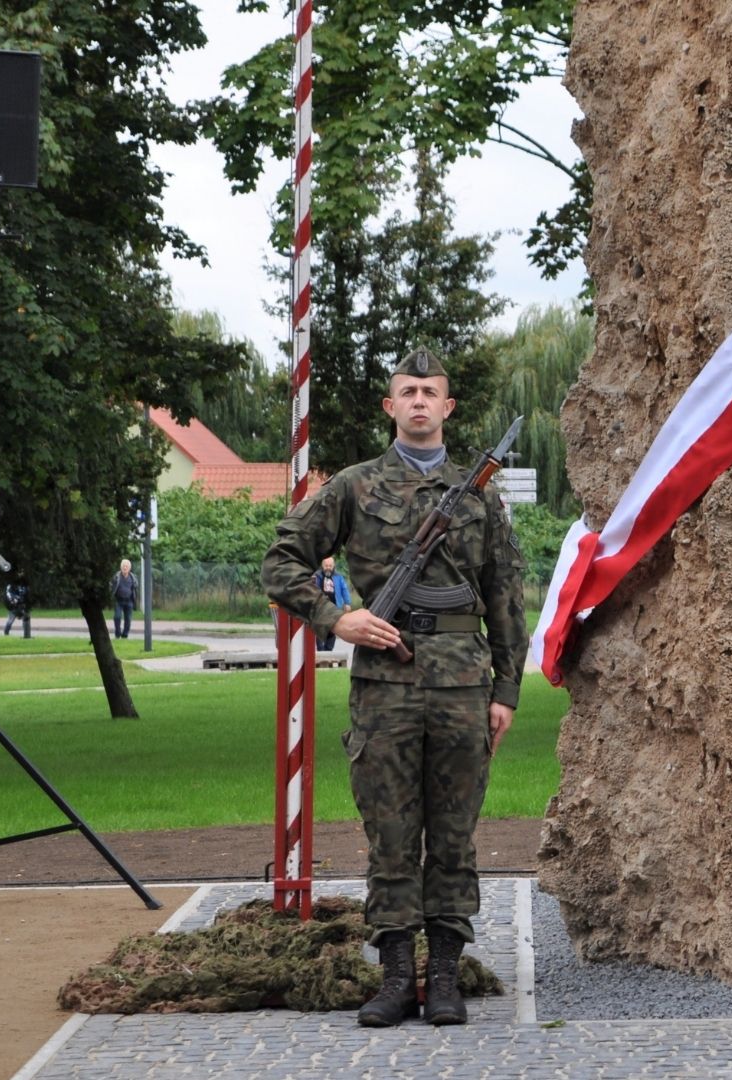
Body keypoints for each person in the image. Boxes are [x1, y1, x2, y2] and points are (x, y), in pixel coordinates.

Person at [261, 346, 526, 1028]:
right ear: (390, 405)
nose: (417, 401)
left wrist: (506, 691)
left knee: (456, 836)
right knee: (391, 836)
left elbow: (504, 596)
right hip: (385, 687)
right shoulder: (353, 487)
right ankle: (395, 974)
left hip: (465, 687)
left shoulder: (481, 497)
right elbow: (281, 561)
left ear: (446, 406)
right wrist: (337, 617)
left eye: (428, 392)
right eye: (405, 391)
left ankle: (443, 976)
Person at [311, 557, 352, 651]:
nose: (328, 568)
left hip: (334, 608)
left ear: (333, 566)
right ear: (322, 566)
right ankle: (320, 650)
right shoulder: (316, 576)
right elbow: (312, 589)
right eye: (326, 565)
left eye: (330, 565)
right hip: (320, 608)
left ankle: (329, 650)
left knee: (332, 630)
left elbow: (344, 590)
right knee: (320, 629)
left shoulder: (338, 577)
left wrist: (347, 603)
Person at [111, 559, 137, 639]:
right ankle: (117, 633)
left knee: (128, 619)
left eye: (126, 566)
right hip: (119, 601)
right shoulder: (117, 576)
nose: (125, 568)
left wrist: (134, 599)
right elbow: (111, 585)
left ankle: (125, 635)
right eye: (123, 566)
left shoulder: (133, 578)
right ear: (121, 567)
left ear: (129, 568)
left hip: (129, 601)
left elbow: (135, 588)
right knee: (117, 617)